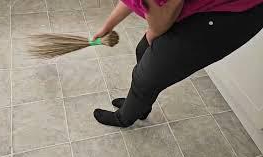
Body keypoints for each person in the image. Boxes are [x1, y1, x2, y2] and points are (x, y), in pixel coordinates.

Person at [92, 0, 263, 127]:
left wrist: (154, 30)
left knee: (148, 74)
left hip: (234, 11)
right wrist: (108, 26)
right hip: (198, 5)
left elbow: (159, 26)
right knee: (143, 50)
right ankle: (140, 107)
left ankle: (124, 118)